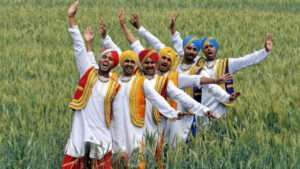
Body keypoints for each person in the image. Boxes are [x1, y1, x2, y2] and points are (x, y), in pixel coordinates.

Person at [62, 1, 120, 169]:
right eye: (104, 57)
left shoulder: (115, 85)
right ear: (100, 59)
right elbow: (79, 48)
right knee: (75, 159)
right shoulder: (88, 72)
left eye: (110, 59)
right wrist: (72, 18)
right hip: (82, 127)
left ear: (113, 65)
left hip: (102, 131)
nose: (106, 60)